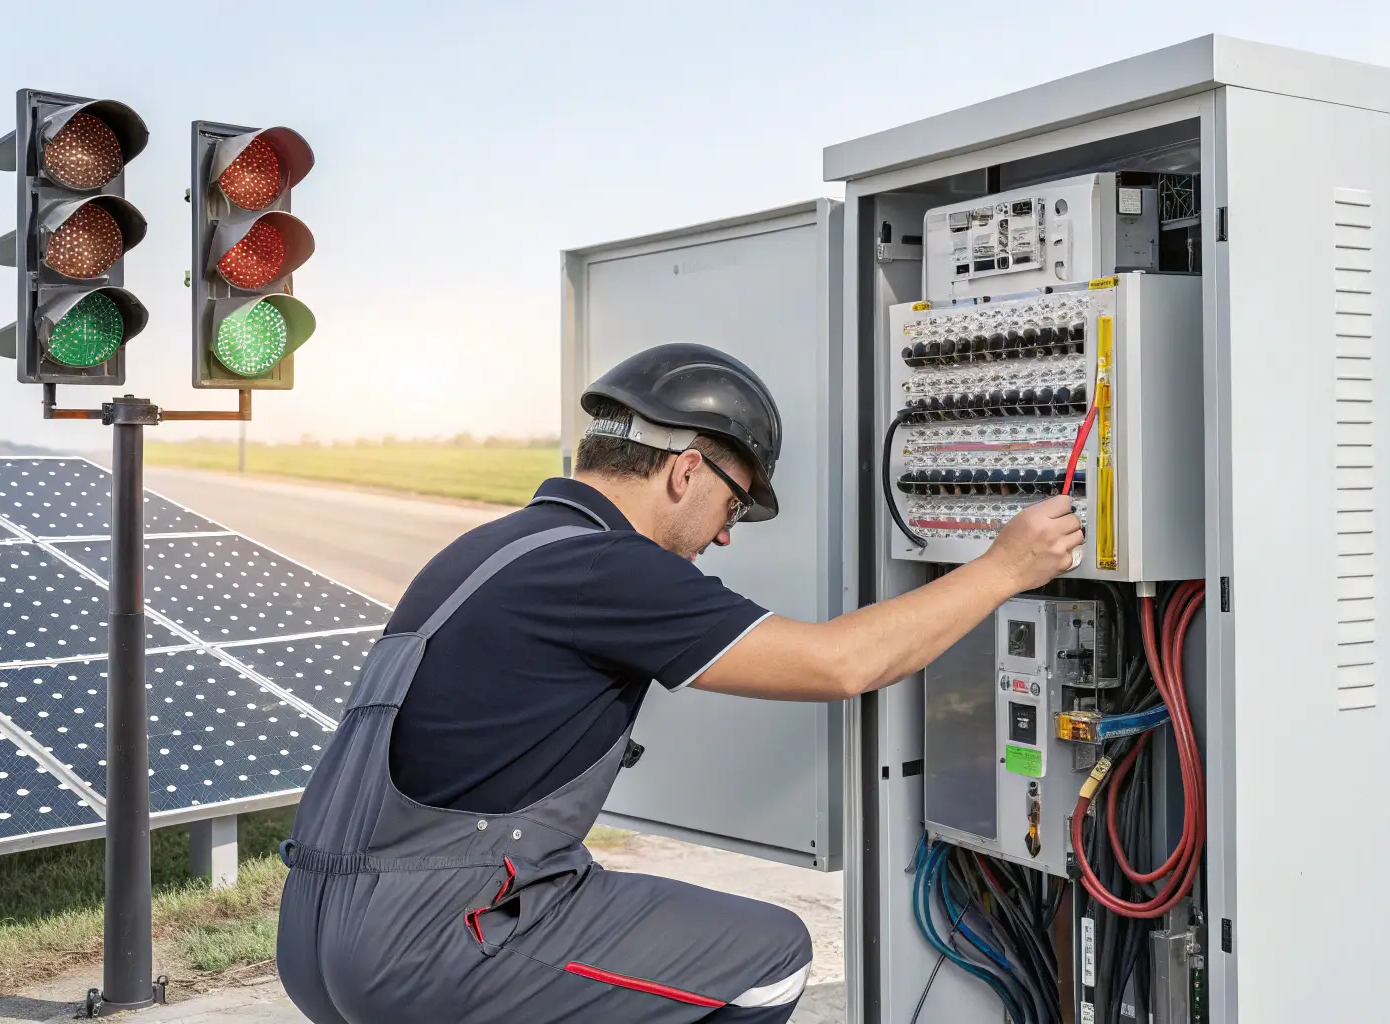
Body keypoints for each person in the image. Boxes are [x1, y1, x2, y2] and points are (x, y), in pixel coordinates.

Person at [276, 343, 1085, 1024]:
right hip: (426, 940)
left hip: (317, 935)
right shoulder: (607, 566)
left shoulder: (500, 547)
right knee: (768, 957)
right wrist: (1003, 569)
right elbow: (842, 663)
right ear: (685, 471)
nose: (727, 534)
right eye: (735, 503)